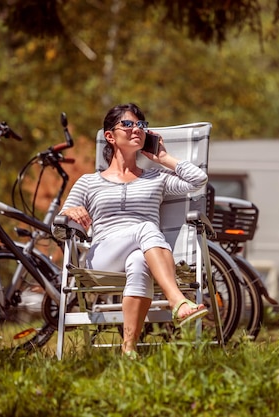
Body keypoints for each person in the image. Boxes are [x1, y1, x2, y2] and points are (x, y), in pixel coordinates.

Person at [59, 103, 209, 357]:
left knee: (140, 261)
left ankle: (128, 350)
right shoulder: (89, 182)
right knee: (146, 227)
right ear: (110, 136)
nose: (136, 129)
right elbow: (58, 225)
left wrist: (163, 158)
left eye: (141, 125)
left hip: (144, 252)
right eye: (127, 124)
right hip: (102, 258)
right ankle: (177, 300)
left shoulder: (157, 178)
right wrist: (68, 212)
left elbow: (198, 180)